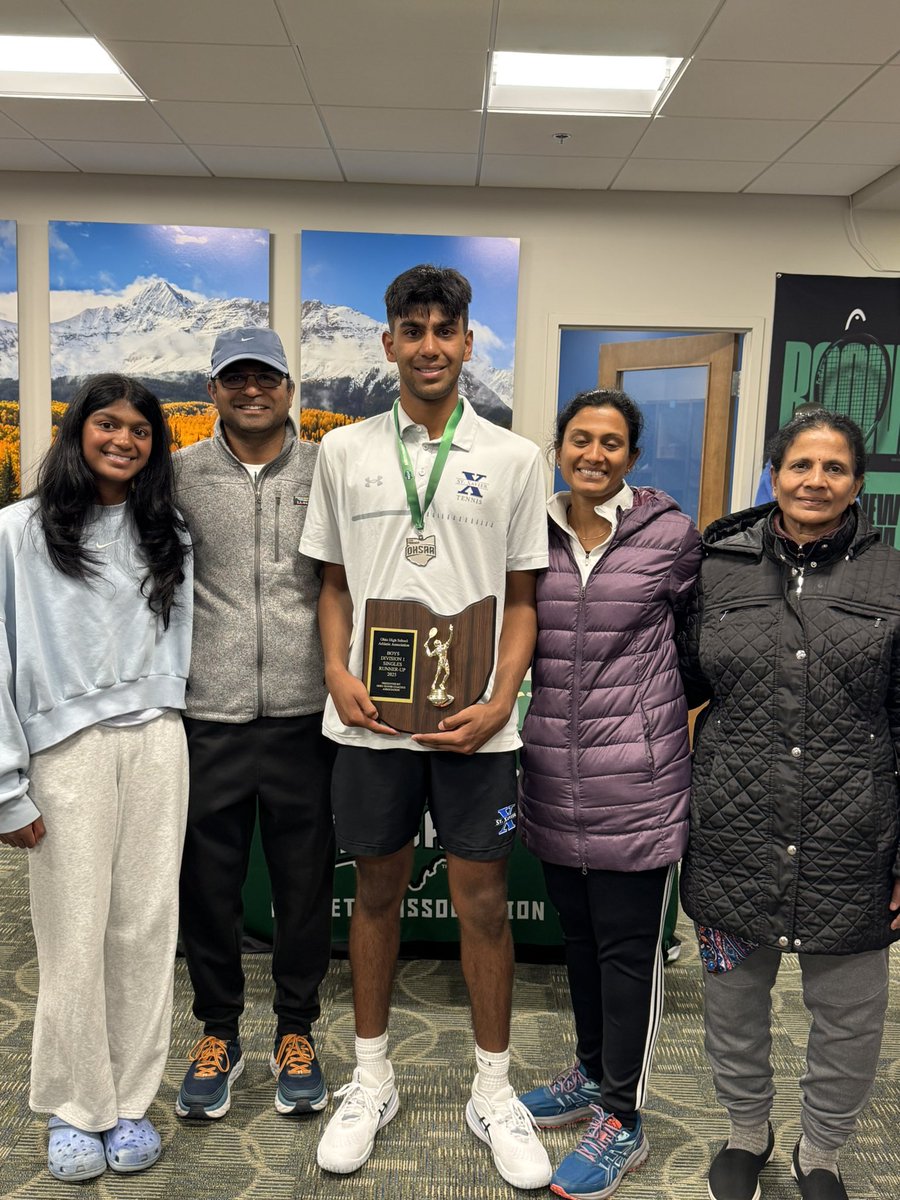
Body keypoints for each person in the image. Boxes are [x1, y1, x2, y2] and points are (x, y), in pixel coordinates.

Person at [300, 265, 552, 1189]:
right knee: (375, 895)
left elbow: (523, 600)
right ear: (389, 343)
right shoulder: (345, 453)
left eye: (448, 329)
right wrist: (335, 669)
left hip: (478, 727)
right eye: (415, 329)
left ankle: (494, 1089)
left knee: (482, 903)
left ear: (469, 342)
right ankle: (373, 1080)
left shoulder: (518, 458)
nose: (432, 345)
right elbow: (332, 585)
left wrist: (503, 700)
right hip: (369, 720)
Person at [678, 409, 900, 1200]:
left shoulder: (893, 578)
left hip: (853, 839)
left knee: (849, 1018)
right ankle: (747, 1131)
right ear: (774, 474)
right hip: (734, 830)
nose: (815, 481)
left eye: (833, 468)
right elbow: (679, 684)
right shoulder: (717, 569)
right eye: (800, 465)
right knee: (733, 1002)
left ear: (856, 483)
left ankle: (822, 1153)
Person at [0, 374, 192, 1181]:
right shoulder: (16, 530)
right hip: (64, 752)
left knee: (145, 930)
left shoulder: (167, 528)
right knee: (72, 935)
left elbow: (176, 644)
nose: (124, 440)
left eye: (141, 431)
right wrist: (7, 785)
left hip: (156, 742)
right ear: (78, 431)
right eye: (108, 425)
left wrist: (169, 718)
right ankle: (77, 1104)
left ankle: (130, 1098)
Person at [516, 389, 701, 1200]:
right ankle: (591, 1075)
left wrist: (653, 722)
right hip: (554, 773)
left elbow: (698, 650)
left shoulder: (669, 537)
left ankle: (623, 1119)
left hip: (639, 781)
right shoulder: (531, 532)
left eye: (612, 443)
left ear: (633, 456)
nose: (594, 454)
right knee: (581, 943)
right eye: (581, 439)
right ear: (560, 446)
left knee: (631, 956)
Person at [173, 328, 335, 1121]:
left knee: (304, 888)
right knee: (209, 887)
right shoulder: (178, 477)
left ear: (287, 388)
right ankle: (218, 1032)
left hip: (307, 716)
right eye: (234, 379)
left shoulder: (325, 471)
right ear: (215, 392)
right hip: (211, 716)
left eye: (264, 377)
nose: (250, 391)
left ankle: (296, 1031)